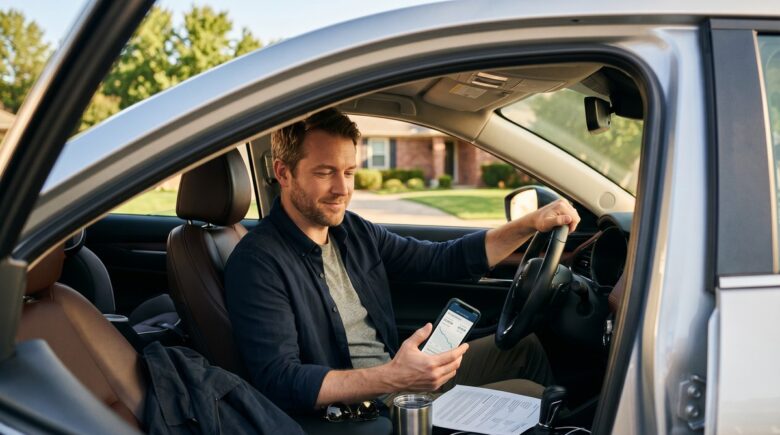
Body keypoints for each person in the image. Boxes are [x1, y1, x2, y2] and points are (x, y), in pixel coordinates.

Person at [224, 108, 580, 414]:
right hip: (365, 411)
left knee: (525, 347)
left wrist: (530, 224)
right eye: (324, 172)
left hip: (401, 378)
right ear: (283, 173)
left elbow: (442, 259)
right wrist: (395, 376)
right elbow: (281, 381)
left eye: (348, 172)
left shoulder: (354, 232)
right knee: (534, 400)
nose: (342, 189)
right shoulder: (258, 262)